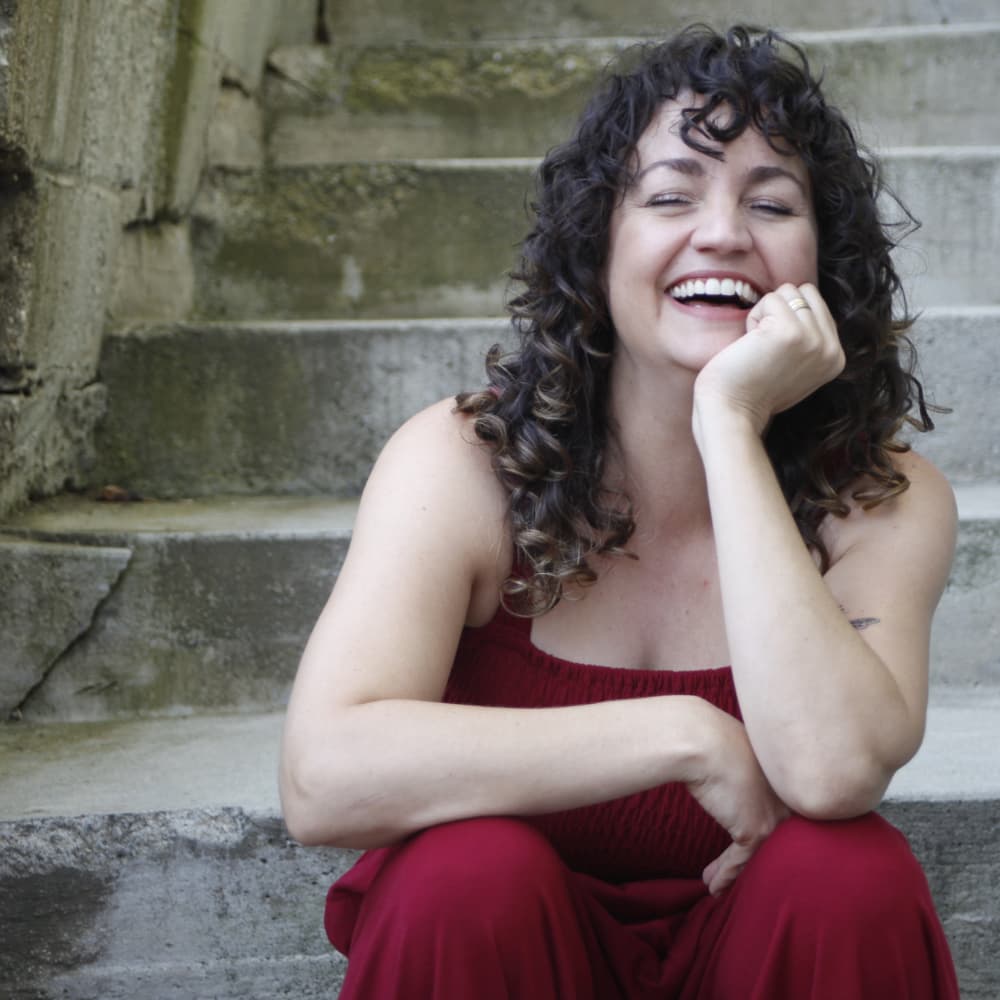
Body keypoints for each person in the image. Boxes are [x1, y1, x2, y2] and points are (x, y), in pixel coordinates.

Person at [280, 24, 960, 999]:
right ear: (598, 243)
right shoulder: (465, 465)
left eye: (770, 202)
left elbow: (833, 770)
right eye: (672, 194)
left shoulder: (878, 497)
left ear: (823, 260)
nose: (723, 232)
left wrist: (727, 421)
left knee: (846, 874)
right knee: (462, 878)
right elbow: (322, 776)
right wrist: (683, 734)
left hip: (754, 948)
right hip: (506, 954)